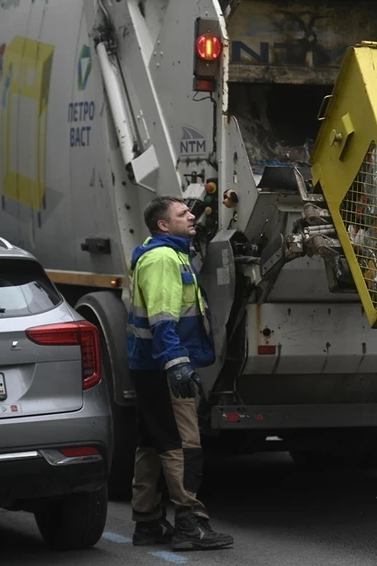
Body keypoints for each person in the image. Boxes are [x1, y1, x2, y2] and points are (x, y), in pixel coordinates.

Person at [127, 195, 233, 551]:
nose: (192, 216)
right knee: (183, 445)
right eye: (183, 213)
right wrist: (177, 363)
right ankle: (189, 523)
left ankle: (147, 524)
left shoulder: (166, 252)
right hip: (164, 366)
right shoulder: (161, 260)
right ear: (163, 225)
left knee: (153, 443)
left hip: (149, 365)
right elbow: (162, 318)